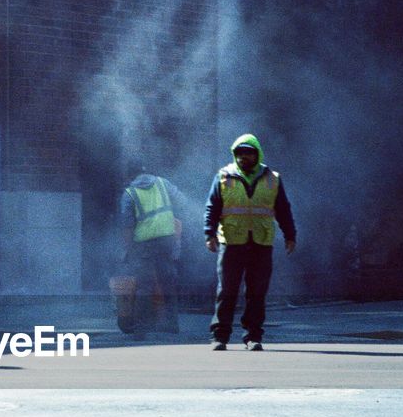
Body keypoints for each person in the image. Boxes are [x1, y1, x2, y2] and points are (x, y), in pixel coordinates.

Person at [204, 133, 296, 351]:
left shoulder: (272, 179)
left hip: (260, 244)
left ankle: (253, 336)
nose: (244, 157)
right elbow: (212, 207)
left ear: (257, 154)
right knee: (227, 291)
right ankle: (220, 337)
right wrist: (209, 234)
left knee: (257, 292)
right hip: (232, 242)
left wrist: (290, 235)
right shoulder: (223, 177)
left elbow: (283, 209)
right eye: (240, 153)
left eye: (249, 153)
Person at [119, 165, 183, 336]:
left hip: (143, 244)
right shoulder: (163, 184)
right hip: (166, 239)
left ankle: (141, 329)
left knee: (143, 286)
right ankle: (172, 324)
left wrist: (127, 250)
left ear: (130, 175)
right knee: (167, 281)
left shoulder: (129, 194)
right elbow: (181, 202)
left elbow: (127, 226)